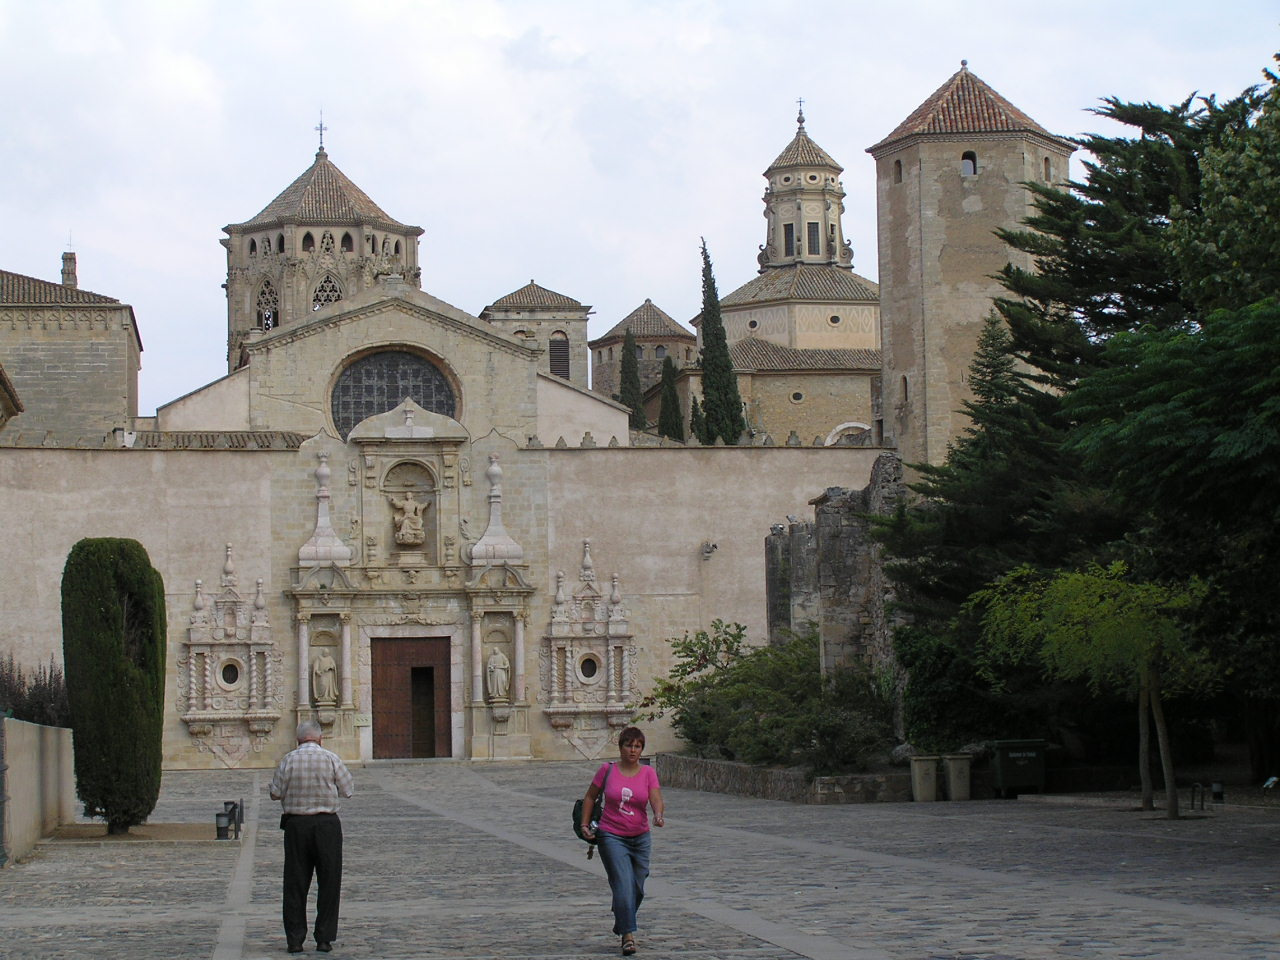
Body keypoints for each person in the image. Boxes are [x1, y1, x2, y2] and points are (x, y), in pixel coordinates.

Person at [269, 720, 354, 954]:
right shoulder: (330, 758)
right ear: (320, 739)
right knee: (329, 882)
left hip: (297, 826)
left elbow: (275, 793)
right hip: (327, 825)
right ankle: (324, 938)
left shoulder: (288, 760)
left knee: (295, 883)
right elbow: (348, 790)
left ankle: (295, 940)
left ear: (298, 740)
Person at [580, 727, 665, 955]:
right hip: (611, 834)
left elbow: (655, 796)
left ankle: (622, 917)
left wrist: (658, 814)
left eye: (637, 746)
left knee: (637, 884)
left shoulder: (648, 773)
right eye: (629, 745)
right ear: (620, 747)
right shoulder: (607, 771)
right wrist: (584, 825)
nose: (633, 750)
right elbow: (590, 796)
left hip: (640, 835)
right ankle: (628, 936)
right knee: (622, 883)